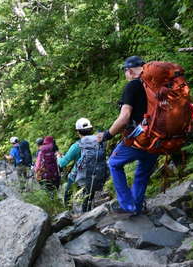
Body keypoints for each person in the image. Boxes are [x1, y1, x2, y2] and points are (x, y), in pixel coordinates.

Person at [97, 56, 158, 216]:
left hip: (140, 138)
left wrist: (107, 135)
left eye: (125, 71)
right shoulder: (156, 84)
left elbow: (124, 117)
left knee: (114, 163)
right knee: (143, 172)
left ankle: (127, 205)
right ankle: (136, 206)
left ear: (129, 71)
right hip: (160, 138)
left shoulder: (133, 86)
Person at [58, 118, 108, 212]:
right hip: (94, 174)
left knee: (67, 195)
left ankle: (68, 214)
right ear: (91, 129)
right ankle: (87, 213)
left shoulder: (77, 145)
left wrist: (58, 158)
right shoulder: (99, 141)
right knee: (88, 197)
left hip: (78, 175)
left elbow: (62, 163)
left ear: (78, 132)